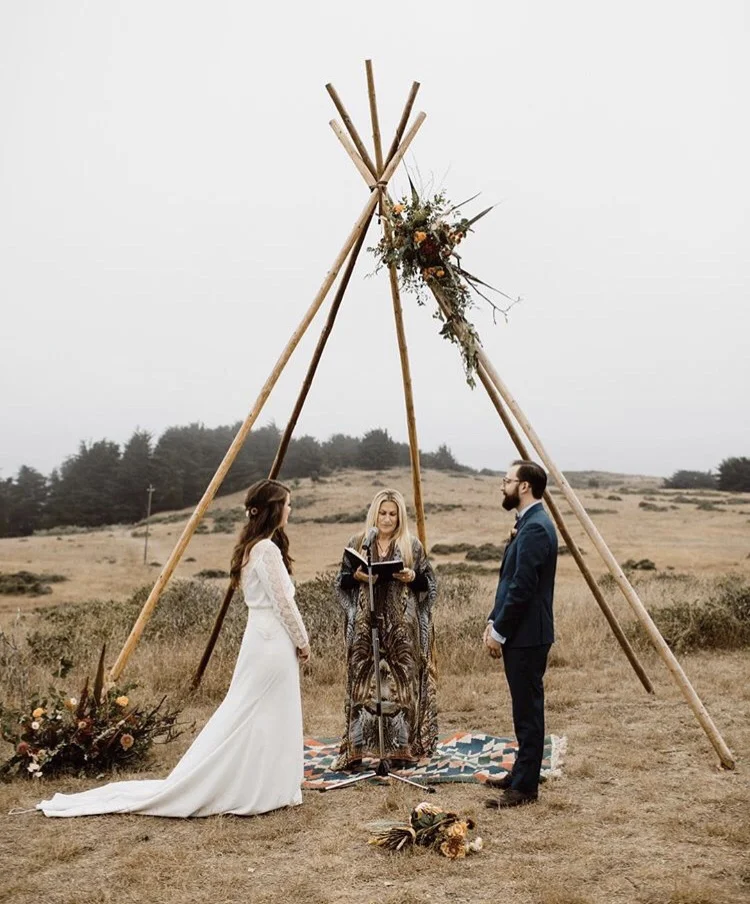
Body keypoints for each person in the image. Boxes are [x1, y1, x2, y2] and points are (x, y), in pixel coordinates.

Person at [37, 478, 310, 818]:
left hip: (258, 637)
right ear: (273, 509)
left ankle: (262, 780)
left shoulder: (253, 547)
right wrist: (303, 641)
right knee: (262, 709)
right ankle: (256, 784)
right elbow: (283, 603)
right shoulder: (266, 550)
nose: (290, 509)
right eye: (287, 504)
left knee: (256, 709)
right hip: (272, 640)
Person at [334, 488, 438, 771]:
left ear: (400, 516)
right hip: (365, 626)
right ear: (375, 513)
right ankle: (357, 749)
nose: (387, 519)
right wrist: (356, 576)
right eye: (383, 513)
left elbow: (428, 584)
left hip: (402, 627)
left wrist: (412, 576)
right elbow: (341, 581)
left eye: (393, 514)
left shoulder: (411, 545)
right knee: (362, 684)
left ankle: (400, 751)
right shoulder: (359, 542)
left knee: (401, 686)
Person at [483, 460, 557, 809]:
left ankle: (526, 787)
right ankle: (521, 773)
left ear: (524, 486)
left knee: (528, 712)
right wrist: (493, 619)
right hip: (522, 633)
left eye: (507, 480)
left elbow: (522, 588)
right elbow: (509, 581)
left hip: (528, 635)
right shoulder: (528, 523)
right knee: (523, 708)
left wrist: (500, 631)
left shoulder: (536, 528)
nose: (503, 485)